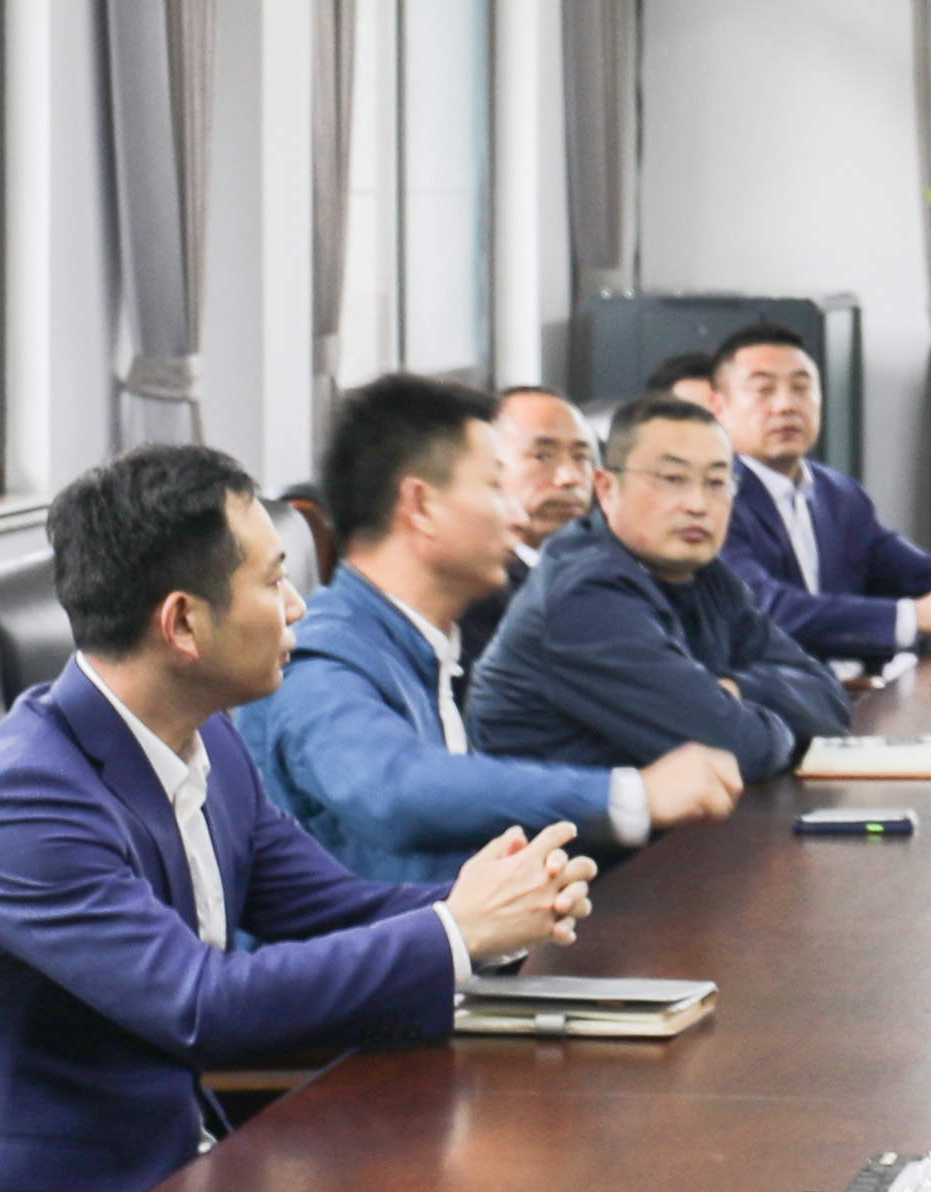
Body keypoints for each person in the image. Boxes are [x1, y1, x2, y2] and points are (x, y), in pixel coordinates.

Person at [0, 445, 596, 1192]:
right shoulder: (23, 801)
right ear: (183, 624)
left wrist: (498, 904)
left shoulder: (211, 740)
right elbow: (202, 1005)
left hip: (181, 1167)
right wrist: (458, 929)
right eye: (273, 581)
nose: (298, 607)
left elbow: (333, 908)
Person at [265, 371, 745, 884]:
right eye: (495, 486)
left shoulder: (416, 646)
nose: (514, 514)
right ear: (421, 506)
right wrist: (633, 795)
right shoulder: (322, 659)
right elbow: (395, 788)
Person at [475, 389, 866, 782]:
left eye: (716, 482)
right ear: (607, 489)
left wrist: (735, 689)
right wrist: (760, 713)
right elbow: (740, 749)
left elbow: (830, 703)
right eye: (672, 479)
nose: (697, 504)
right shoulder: (582, 595)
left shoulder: (708, 576)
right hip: (569, 822)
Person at [701, 322, 931, 659]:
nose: (785, 405)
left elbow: (915, 571)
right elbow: (766, 609)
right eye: (763, 390)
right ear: (717, 406)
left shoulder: (839, 493)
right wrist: (914, 617)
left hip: (852, 683)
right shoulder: (712, 498)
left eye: (801, 388)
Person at [493, 384, 601, 557]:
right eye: (542, 456)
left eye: (580, 457)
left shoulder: (613, 566)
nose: (569, 478)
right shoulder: (466, 571)